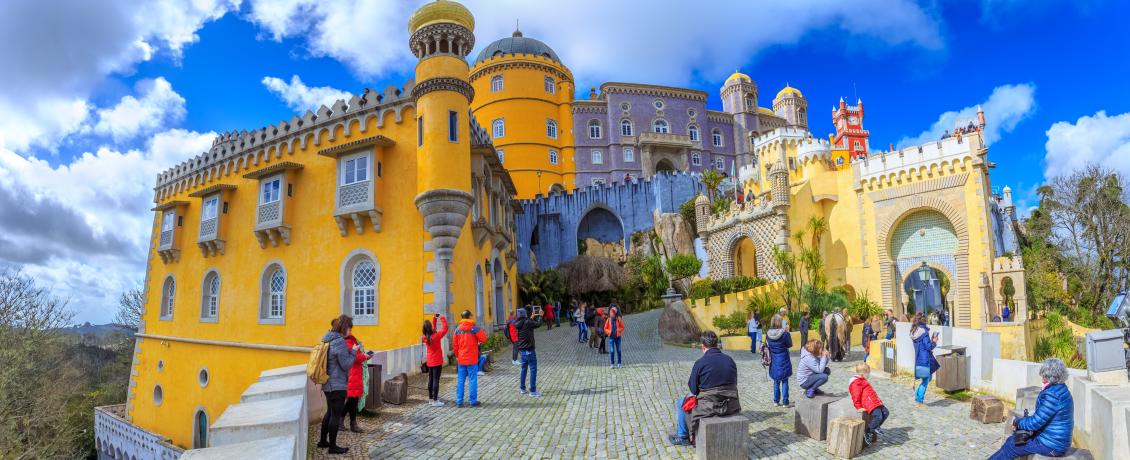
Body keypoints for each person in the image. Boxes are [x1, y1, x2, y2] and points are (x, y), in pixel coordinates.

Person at [989, 358, 1074, 459]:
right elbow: (1042, 418)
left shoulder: (1052, 395)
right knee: (1011, 441)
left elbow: (1035, 422)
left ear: (1049, 376)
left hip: (1052, 445)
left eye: (1043, 374)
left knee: (1012, 446)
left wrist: (1017, 422)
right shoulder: (1061, 389)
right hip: (1055, 440)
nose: (1042, 377)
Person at [669, 331, 740, 446]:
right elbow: (734, 383)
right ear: (717, 344)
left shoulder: (700, 363)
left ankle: (683, 436)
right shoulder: (730, 360)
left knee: (681, 402)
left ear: (703, 346)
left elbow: (693, 389)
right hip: (730, 404)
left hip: (709, 406)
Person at [318, 315, 365, 454]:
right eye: (349, 329)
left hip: (328, 383)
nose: (350, 332)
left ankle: (322, 441)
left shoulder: (328, 338)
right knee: (335, 415)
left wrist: (349, 352)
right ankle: (332, 446)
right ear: (345, 328)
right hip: (336, 384)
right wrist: (354, 352)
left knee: (329, 412)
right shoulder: (339, 342)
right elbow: (346, 365)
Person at [453, 310, 487, 407]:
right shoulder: (474, 328)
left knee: (460, 380)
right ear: (469, 317)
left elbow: (455, 346)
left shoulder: (457, 330)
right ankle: (473, 401)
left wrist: (457, 356)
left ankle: (459, 401)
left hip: (461, 359)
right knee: (472, 380)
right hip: (472, 359)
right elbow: (484, 339)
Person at [849, 363, 889, 447]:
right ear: (862, 374)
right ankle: (868, 431)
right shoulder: (856, 382)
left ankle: (876, 426)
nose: (869, 374)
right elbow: (855, 395)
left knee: (886, 412)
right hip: (869, 403)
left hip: (875, 402)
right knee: (878, 416)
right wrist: (858, 406)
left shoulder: (863, 380)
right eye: (868, 373)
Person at [342, 326, 371, 433]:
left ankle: (343, 421)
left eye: (350, 329)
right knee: (353, 400)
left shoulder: (350, 340)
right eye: (348, 329)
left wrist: (364, 356)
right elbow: (355, 357)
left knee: (352, 400)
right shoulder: (347, 342)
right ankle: (353, 424)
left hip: (355, 373)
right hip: (352, 373)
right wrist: (365, 356)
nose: (350, 331)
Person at [514, 307, 544, 396]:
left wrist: (532, 317)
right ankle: (533, 391)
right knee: (533, 369)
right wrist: (541, 316)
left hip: (522, 350)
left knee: (523, 369)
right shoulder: (527, 322)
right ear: (524, 314)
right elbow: (538, 324)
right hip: (529, 350)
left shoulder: (518, 323)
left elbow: (526, 324)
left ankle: (522, 388)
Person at [910, 313, 940, 406]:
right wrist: (934, 341)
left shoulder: (914, 331)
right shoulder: (924, 332)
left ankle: (917, 394)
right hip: (925, 360)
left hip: (919, 359)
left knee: (928, 377)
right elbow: (928, 347)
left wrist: (930, 340)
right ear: (924, 321)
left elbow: (923, 345)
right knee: (926, 380)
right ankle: (919, 400)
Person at [766, 314, 793, 407]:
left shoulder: (768, 334)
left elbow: (769, 345)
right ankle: (785, 402)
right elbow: (789, 344)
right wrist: (788, 332)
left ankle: (776, 401)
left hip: (774, 359)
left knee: (776, 380)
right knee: (785, 380)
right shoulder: (784, 334)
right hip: (784, 358)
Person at [422, 314, 449, 407]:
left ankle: (430, 398)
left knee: (431, 379)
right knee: (436, 380)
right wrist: (442, 318)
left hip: (430, 361)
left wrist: (434, 318)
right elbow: (445, 329)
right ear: (430, 329)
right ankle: (435, 400)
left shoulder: (425, 337)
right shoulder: (436, 336)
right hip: (437, 361)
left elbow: (433, 329)